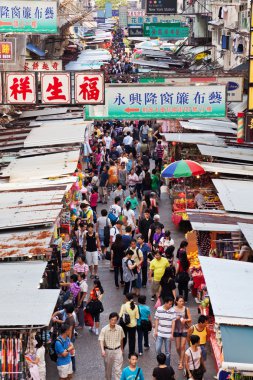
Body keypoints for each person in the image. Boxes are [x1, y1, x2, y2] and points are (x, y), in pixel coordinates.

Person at [99, 312, 125, 380]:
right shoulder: (104, 329)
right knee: (108, 370)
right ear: (109, 320)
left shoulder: (120, 328)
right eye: (112, 320)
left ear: (117, 320)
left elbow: (121, 339)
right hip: (108, 351)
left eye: (115, 320)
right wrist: (102, 350)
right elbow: (101, 340)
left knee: (118, 370)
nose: (113, 321)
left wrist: (122, 349)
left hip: (118, 350)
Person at [154, 297, 176, 367]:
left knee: (168, 352)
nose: (170, 306)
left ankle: (167, 366)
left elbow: (173, 322)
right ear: (165, 303)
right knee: (157, 349)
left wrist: (172, 334)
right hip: (160, 333)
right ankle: (161, 362)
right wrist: (156, 331)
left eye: (171, 304)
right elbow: (156, 320)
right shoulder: (159, 309)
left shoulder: (173, 310)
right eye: (169, 304)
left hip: (168, 334)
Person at [174, 296, 192, 370]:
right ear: (176, 301)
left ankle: (181, 362)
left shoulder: (186, 309)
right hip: (176, 329)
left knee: (182, 346)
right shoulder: (173, 309)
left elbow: (190, 319)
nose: (182, 302)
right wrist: (176, 318)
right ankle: (181, 357)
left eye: (182, 301)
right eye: (180, 301)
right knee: (178, 347)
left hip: (184, 329)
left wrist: (185, 320)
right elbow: (171, 318)